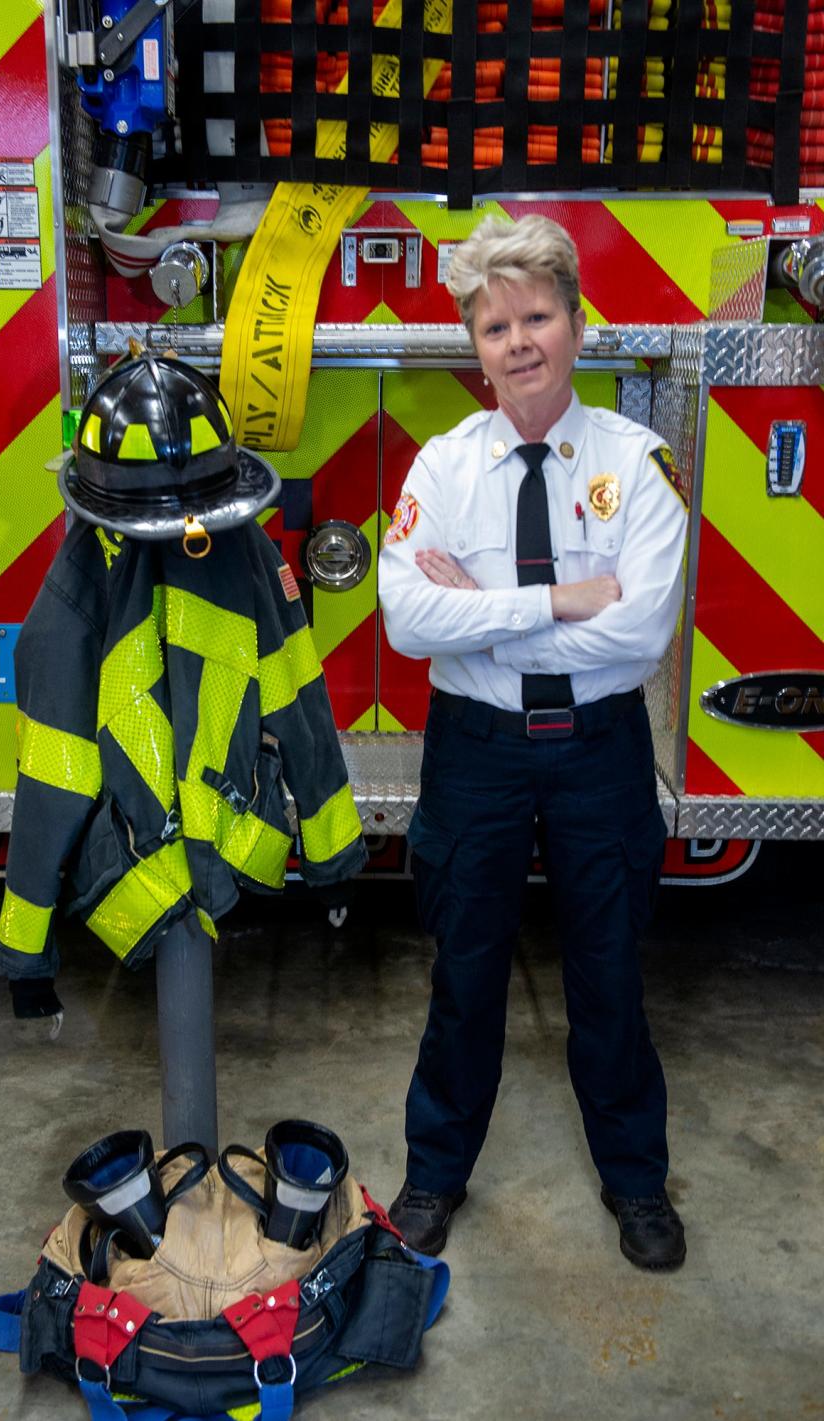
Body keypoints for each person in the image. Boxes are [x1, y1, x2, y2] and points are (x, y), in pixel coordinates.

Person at [378, 214, 689, 1270]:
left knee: (609, 971)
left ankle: (637, 1179)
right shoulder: (444, 465)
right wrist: (551, 598)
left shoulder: (638, 464)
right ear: (476, 344)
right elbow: (407, 620)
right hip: (478, 750)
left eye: (537, 316)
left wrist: (485, 606)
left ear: (577, 322)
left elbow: (639, 629)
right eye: (495, 323)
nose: (518, 341)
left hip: (598, 743)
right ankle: (433, 1175)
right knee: (463, 970)